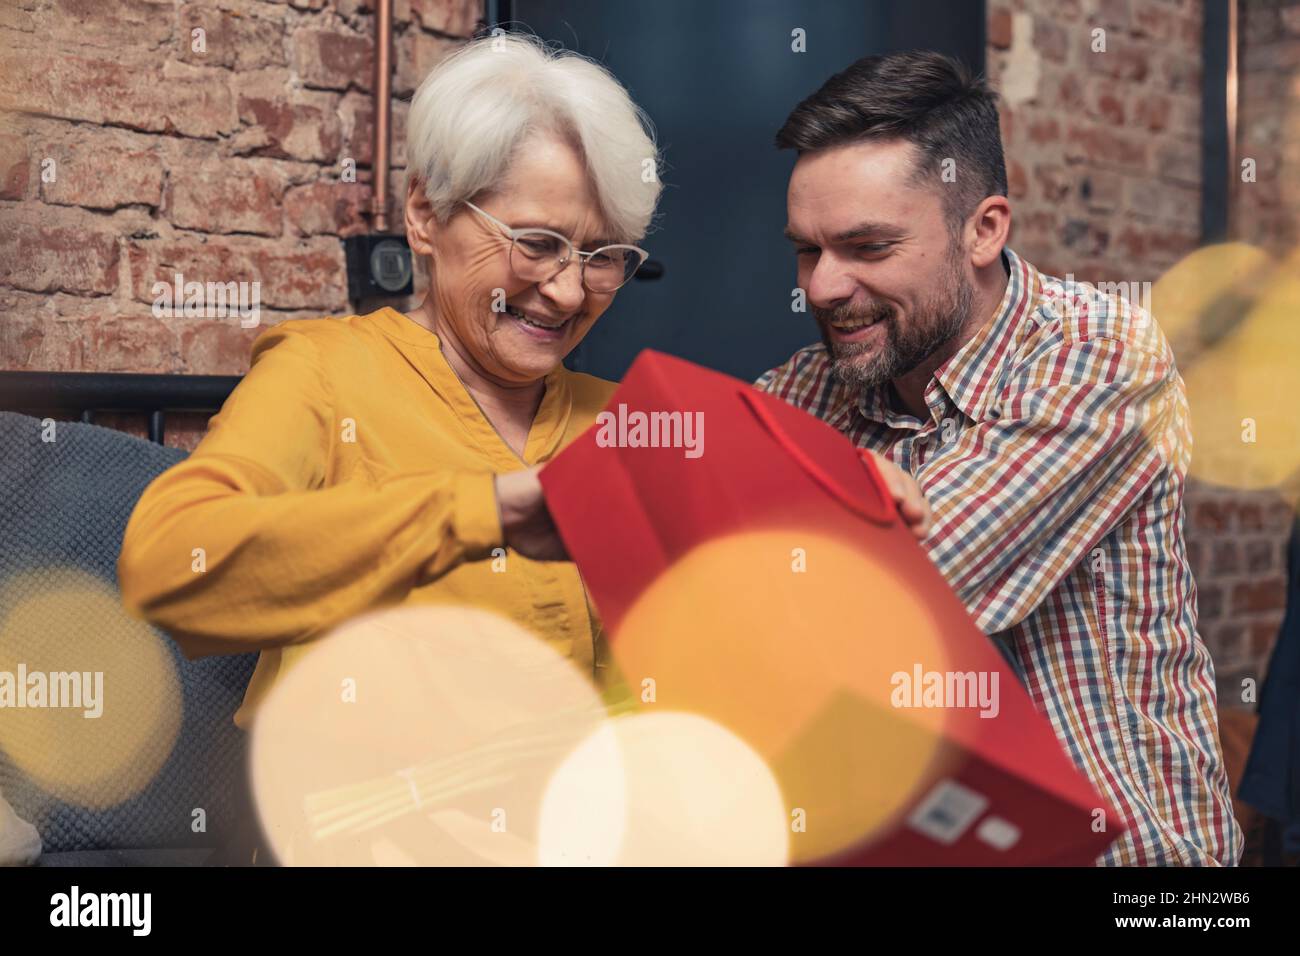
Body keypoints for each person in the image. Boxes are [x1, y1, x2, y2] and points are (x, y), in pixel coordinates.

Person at [756, 50, 1242, 866]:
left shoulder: (1100, 355)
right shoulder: (801, 393)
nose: (824, 287)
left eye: (867, 246)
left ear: (984, 229)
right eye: (808, 251)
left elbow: (878, 614)